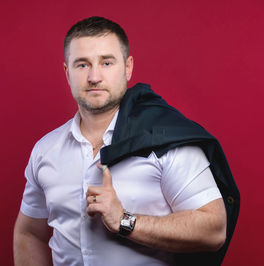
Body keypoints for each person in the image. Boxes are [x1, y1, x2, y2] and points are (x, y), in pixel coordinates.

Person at [13, 16, 229, 266]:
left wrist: (125, 220)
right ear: (67, 72)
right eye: (82, 65)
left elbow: (214, 230)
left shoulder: (164, 141)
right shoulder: (45, 150)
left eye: (106, 62)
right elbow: (28, 233)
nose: (94, 76)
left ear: (127, 67)